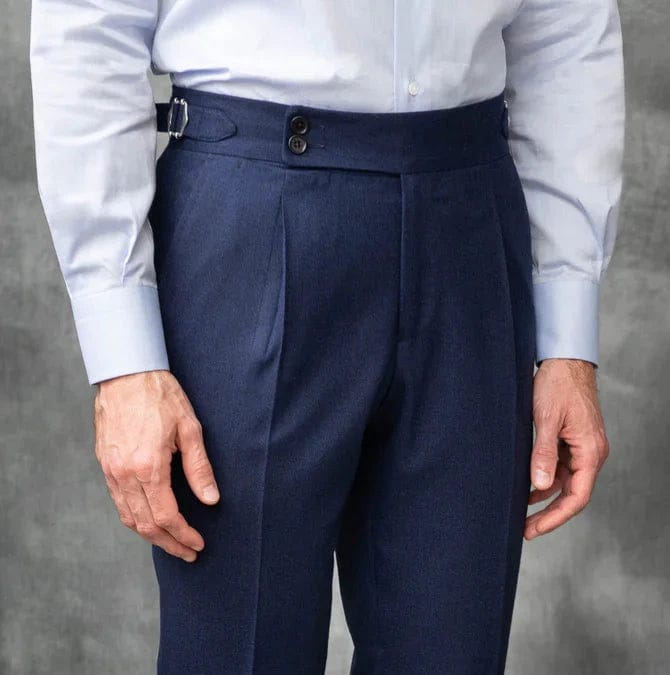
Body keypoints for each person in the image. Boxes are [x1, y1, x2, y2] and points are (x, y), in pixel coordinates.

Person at [28, 1, 624, 673]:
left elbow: (568, 37)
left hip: (470, 226)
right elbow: (90, 35)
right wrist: (124, 361)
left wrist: (568, 344)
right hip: (248, 222)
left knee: (452, 650)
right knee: (238, 653)